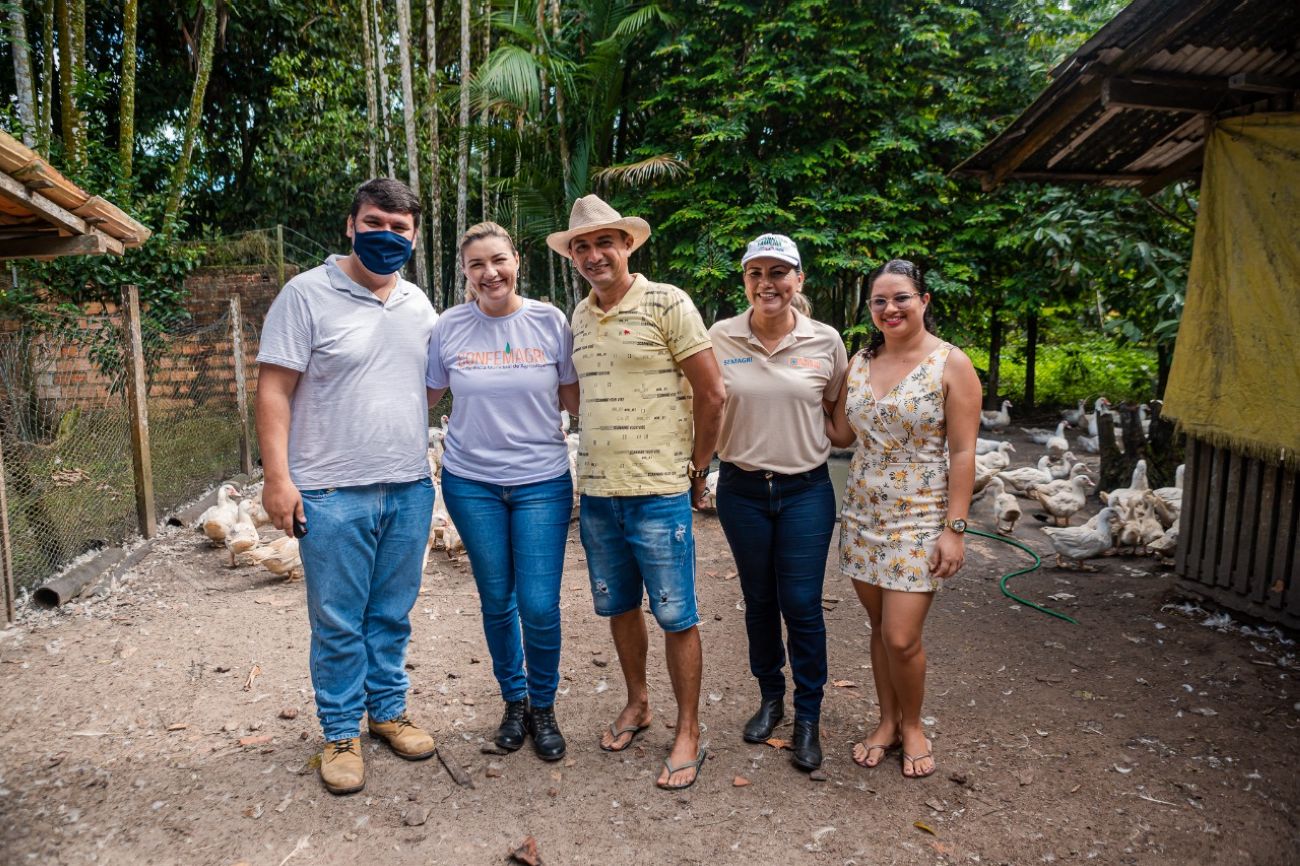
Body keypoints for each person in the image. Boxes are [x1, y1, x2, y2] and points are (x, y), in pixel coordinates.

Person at [256, 178, 439, 796]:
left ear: (414, 236)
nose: (386, 235)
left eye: (399, 228)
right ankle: (339, 731)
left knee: (391, 613)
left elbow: (429, 384)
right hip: (331, 491)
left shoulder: (418, 303)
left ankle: (387, 712)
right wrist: (278, 478)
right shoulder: (305, 294)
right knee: (338, 620)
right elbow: (274, 389)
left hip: (409, 487)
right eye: (374, 223)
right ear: (351, 225)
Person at [547, 194, 725, 791]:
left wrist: (697, 471)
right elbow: (580, 396)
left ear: (627, 245)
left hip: (658, 491)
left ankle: (688, 730)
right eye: (582, 246)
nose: (594, 254)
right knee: (619, 607)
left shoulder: (668, 302)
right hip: (599, 492)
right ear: (573, 257)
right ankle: (638, 701)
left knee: (676, 613)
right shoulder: (577, 315)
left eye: (605, 242)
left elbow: (713, 393)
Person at [425, 222, 580, 762]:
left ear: (517, 261)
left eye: (498, 260)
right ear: (465, 273)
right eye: (476, 265)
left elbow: (576, 398)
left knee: (538, 604)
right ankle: (514, 702)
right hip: (472, 483)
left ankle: (544, 706)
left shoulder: (550, 321)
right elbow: (422, 396)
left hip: (542, 480)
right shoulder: (449, 327)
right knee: (497, 599)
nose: (489, 273)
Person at [826, 259, 980, 779]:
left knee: (900, 636)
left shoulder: (951, 364)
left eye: (901, 298)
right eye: (880, 301)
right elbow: (842, 434)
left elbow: (963, 452)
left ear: (924, 301)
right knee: (878, 627)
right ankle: (887, 721)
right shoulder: (860, 361)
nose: (890, 309)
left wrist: (955, 529)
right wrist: (793, 390)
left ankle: (913, 725)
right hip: (863, 512)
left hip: (920, 516)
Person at [708, 234, 848, 772]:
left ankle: (808, 716)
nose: (767, 283)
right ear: (745, 280)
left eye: (778, 272)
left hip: (806, 491)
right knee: (760, 600)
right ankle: (771, 698)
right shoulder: (720, 336)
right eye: (756, 273)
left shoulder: (825, 340)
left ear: (798, 279)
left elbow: (836, 415)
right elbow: (704, 403)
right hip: (741, 490)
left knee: (802, 603)